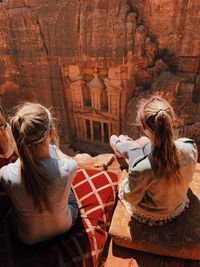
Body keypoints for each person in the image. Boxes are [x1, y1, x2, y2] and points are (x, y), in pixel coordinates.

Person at [110, 95, 198, 226]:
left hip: (153, 212)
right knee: (144, 143)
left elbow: (130, 197)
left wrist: (135, 175)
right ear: (171, 121)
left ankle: (120, 144)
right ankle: (125, 144)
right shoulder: (190, 147)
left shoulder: (142, 168)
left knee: (135, 149)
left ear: (144, 128)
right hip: (177, 204)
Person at [0, 103, 78, 244]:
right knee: (69, 192)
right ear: (51, 133)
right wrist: (54, 150)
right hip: (64, 226)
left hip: (27, 238)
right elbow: (61, 159)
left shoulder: (5, 174)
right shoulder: (69, 167)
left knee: (12, 209)